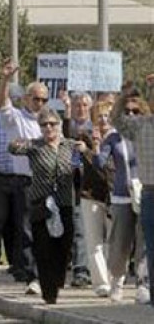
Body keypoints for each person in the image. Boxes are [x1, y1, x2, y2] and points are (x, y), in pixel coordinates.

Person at [0, 58, 45, 294]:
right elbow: (0, 103)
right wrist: (5, 78)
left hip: (30, 182)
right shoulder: (15, 119)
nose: (39, 103)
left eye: (43, 99)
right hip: (1, 178)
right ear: (26, 99)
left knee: (25, 228)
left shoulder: (48, 123)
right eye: (35, 98)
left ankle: (28, 273)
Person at [8, 108, 81, 304]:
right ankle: (48, 291)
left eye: (52, 124)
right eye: (44, 124)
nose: (48, 127)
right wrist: (15, 143)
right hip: (41, 204)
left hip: (64, 203)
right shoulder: (35, 146)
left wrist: (85, 148)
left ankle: (57, 279)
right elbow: (14, 149)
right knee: (43, 247)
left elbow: (83, 160)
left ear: (59, 126)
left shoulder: (70, 146)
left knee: (64, 246)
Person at [62, 97, 114, 296]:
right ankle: (101, 283)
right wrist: (67, 110)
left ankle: (114, 279)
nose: (102, 119)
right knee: (92, 240)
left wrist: (91, 153)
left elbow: (107, 169)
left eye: (107, 115)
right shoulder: (85, 136)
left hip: (111, 194)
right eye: (99, 116)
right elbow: (67, 137)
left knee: (113, 240)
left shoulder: (117, 140)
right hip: (89, 193)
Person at [111, 88, 154, 307]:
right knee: (150, 245)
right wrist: (123, 97)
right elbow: (116, 119)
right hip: (149, 192)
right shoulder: (141, 125)